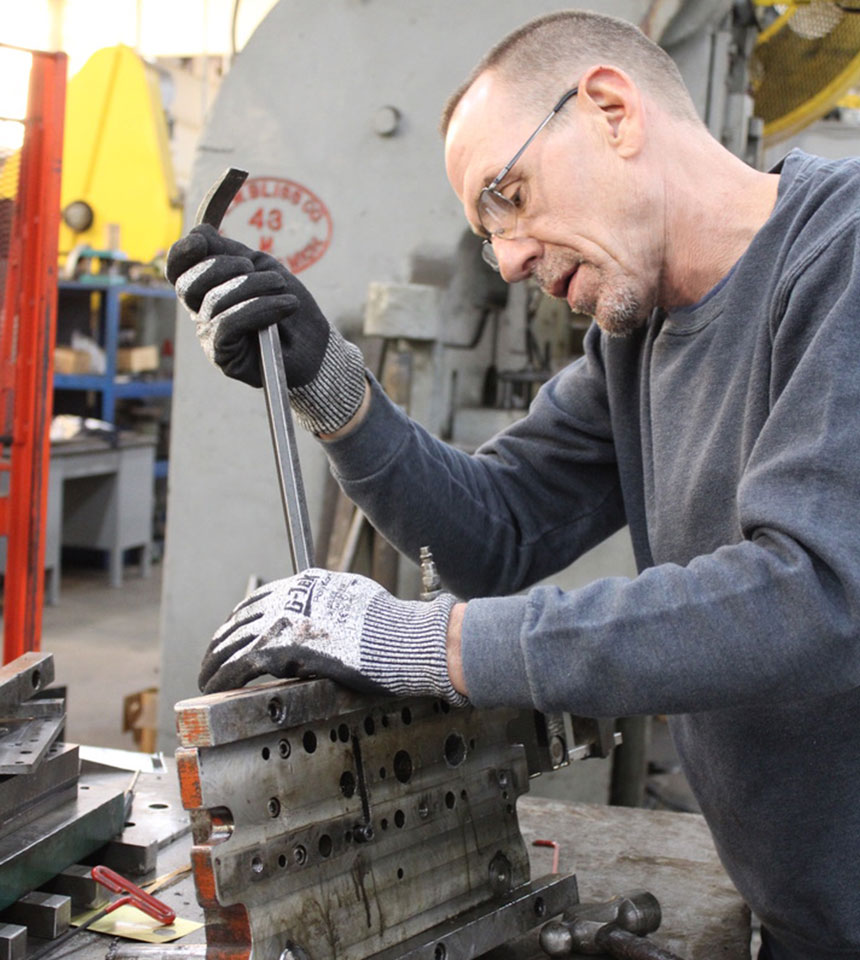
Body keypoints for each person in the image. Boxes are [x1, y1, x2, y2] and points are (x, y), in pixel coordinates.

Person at [166, 10, 860, 960]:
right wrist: (325, 379)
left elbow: (817, 598)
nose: (509, 258)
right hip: (804, 916)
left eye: (510, 196)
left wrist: (418, 640)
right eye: (487, 232)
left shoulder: (846, 255)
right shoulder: (636, 339)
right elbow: (492, 532)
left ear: (612, 110)